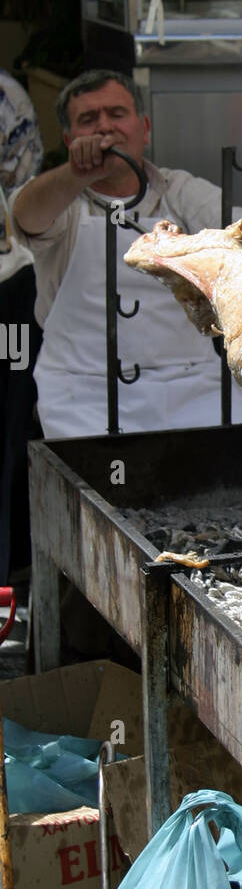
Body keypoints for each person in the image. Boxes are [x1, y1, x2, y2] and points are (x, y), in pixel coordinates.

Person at [11, 69, 242, 440]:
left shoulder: (178, 191)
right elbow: (25, 215)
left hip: (193, 384)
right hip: (83, 391)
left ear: (143, 128)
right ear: (68, 139)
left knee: (241, 473)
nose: (104, 128)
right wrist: (76, 174)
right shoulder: (63, 201)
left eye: (116, 114)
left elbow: (237, 226)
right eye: (88, 120)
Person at [0, 68, 43, 581]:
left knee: (12, 418)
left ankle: (10, 567)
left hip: (8, 292)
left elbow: (21, 182)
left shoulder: (6, 97)